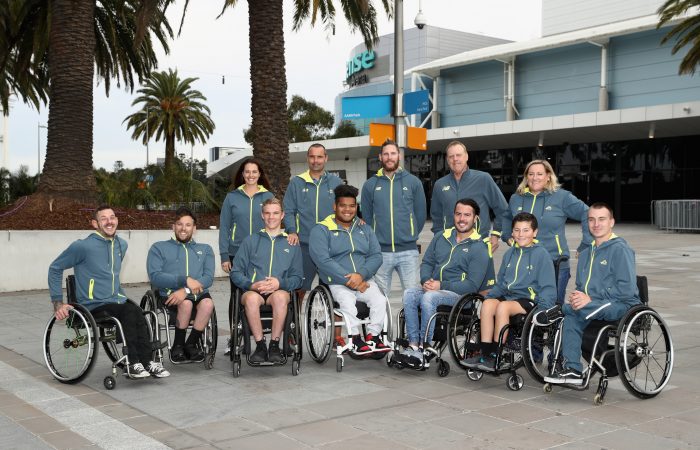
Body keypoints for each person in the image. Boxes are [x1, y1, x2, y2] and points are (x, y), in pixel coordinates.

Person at [48, 205, 170, 378]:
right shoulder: (82, 247)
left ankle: (148, 361)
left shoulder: (121, 244)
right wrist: (57, 302)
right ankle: (133, 363)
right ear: (95, 224)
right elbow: (55, 268)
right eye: (103, 218)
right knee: (127, 312)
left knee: (139, 314)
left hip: (115, 299)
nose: (109, 221)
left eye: (112, 217)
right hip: (93, 304)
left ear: (117, 220)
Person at [544, 202, 641, 385]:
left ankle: (560, 309)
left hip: (621, 303)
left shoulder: (621, 249)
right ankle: (572, 369)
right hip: (594, 306)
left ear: (611, 222)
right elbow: (582, 286)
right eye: (591, 220)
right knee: (572, 315)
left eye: (601, 219)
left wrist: (589, 299)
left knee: (574, 309)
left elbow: (626, 289)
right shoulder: (586, 253)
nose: (596, 224)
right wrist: (578, 296)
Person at [400, 198, 494, 368]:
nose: (462, 219)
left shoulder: (479, 247)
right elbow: (427, 262)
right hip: (436, 288)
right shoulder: (441, 237)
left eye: (467, 215)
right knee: (409, 294)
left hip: (461, 297)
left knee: (430, 298)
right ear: (453, 215)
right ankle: (413, 343)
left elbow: (472, 285)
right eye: (458, 214)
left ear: (475, 218)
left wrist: (441, 285)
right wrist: (425, 280)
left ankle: (426, 347)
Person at [465, 212, 557, 372]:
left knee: (503, 307)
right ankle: (485, 353)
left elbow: (549, 286)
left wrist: (544, 308)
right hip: (509, 297)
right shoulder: (509, 254)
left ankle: (496, 355)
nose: (521, 234)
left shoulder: (541, 254)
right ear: (512, 232)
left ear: (535, 232)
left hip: (530, 300)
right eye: (517, 230)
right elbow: (501, 283)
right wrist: (490, 295)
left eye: (526, 230)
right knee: (487, 305)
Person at [309, 184, 390, 354]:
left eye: (352, 206)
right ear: (335, 207)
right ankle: (354, 338)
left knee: (380, 301)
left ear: (356, 207)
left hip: (364, 280)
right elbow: (323, 260)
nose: (348, 210)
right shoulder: (321, 230)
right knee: (347, 303)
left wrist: (361, 276)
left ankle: (373, 337)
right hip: (337, 282)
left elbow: (376, 256)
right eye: (343, 205)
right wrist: (350, 280)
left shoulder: (364, 228)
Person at [501, 159, 592, 304]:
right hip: (523, 263)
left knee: (551, 308)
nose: (535, 178)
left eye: (539, 174)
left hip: (554, 262)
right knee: (524, 305)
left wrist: (586, 242)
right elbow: (505, 217)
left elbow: (588, 213)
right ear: (526, 177)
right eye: (531, 174)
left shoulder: (562, 197)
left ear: (548, 176)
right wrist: (506, 236)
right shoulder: (516, 198)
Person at [231, 198, 303, 363]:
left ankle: (274, 345)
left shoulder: (292, 244)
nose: (271, 217)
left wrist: (280, 283)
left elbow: (298, 279)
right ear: (262, 215)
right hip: (253, 291)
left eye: (276, 213)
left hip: (278, 292)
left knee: (279, 297)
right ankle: (260, 345)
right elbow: (235, 273)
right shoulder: (250, 241)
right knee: (250, 298)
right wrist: (251, 284)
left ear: (282, 215)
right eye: (268, 213)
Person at [219, 158, 274, 355]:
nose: (251, 175)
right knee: (237, 295)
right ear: (242, 174)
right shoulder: (232, 197)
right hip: (236, 253)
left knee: (260, 294)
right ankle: (235, 336)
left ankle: (258, 337)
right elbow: (224, 227)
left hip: (262, 253)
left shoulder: (267, 196)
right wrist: (225, 255)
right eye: (247, 172)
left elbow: (274, 221)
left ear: (260, 174)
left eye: (254, 172)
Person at [147, 207, 215, 363]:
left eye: (188, 225)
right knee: (186, 303)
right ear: (173, 227)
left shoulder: (205, 249)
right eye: (179, 224)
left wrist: (186, 289)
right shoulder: (158, 248)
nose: (183, 228)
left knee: (207, 303)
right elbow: (155, 276)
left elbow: (208, 278)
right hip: (170, 294)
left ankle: (190, 344)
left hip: (197, 293)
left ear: (194, 228)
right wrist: (184, 281)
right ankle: (178, 346)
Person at [361, 139, 426, 297]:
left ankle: (410, 323)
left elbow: (421, 214)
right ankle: (381, 323)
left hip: (408, 252)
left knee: (412, 298)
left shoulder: (413, 182)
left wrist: (411, 233)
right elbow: (367, 217)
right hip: (380, 253)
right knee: (379, 299)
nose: (389, 157)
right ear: (380, 157)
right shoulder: (370, 185)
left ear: (399, 156)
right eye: (386, 154)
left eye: (393, 153)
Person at [284, 143, 343, 297]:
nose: (315, 160)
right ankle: (294, 321)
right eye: (312, 156)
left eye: (319, 157)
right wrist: (292, 231)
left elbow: (345, 211)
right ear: (307, 158)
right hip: (304, 245)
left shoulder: (336, 183)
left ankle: (331, 320)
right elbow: (289, 211)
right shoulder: (296, 182)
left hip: (330, 246)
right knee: (299, 290)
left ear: (326, 158)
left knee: (333, 291)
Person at [430, 141, 508, 252]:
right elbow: (437, 218)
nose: (455, 159)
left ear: (466, 156)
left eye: (458, 155)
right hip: (450, 247)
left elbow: (503, 209)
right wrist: (439, 241)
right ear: (447, 160)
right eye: (451, 156)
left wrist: (495, 234)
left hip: (479, 245)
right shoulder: (440, 184)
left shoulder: (483, 179)